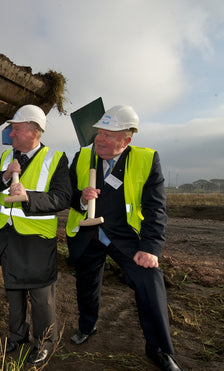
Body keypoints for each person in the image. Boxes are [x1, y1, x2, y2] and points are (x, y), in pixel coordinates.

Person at [65, 105, 183, 371]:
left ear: (126, 140)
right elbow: (67, 193)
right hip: (88, 232)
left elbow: (155, 208)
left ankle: (159, 349)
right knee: (86, 284)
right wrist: (81, 199)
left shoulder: (146, 159)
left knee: (150, 281)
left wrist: (151, 248)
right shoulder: (83, 156)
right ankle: (87, 326)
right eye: (99, 133)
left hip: (126, 237)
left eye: (109, 135)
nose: (100, 139)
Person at [0, 105, 72, 366]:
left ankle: (44, 342)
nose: (10, 134)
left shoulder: (56, 158)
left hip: (36, 240)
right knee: (13, 290)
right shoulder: (8, 155)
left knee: (41, 297)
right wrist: (6, 174)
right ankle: (17, 335)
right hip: (7, 236)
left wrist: (29, 196)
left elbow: (63, 197)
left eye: (15, 129)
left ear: (33, 131)